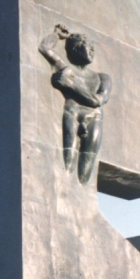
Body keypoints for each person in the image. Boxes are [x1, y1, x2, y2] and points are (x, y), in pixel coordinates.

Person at [38, 24, 111, 184]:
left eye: (93, 47)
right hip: (72, 114)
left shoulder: (102, 78)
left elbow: (97, 101)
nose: (92, 50)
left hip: (94, 119)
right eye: (88, 46)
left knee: (87, 164)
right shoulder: (67, 68)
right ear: (76, 49)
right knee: (67, 161)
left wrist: (71, 85)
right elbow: (44, 48)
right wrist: (56, 35)